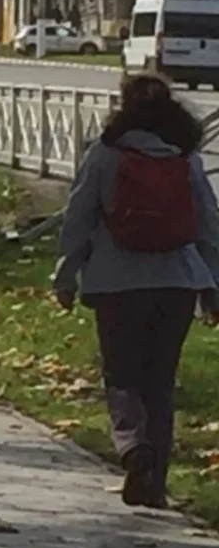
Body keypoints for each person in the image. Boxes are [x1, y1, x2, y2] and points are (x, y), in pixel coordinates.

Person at [54, 72, 219, 510]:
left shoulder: (105, 154)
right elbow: (208, 223)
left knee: (122, 376)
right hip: (178, 281)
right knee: (160, 383)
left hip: (117, 283)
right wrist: (213, 288)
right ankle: (155, 486)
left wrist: (66, 276)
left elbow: (78, 218)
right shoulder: (185, 159)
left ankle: (132, 446)